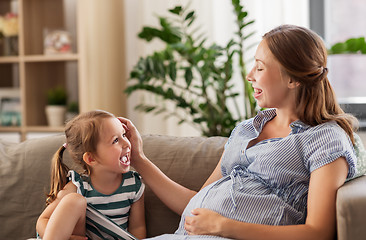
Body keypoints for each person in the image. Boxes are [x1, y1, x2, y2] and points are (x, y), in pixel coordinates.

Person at [119, 24, 358, 240]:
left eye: (260, 67)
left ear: (293, 79)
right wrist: (139, 159)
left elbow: (318, 232)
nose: (250, 75)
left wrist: (223, 225)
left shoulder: (325, 138)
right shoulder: (246, 129)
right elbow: (195, 205)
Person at [36, 110, 146, 240]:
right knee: (74, 201)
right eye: (116, 140)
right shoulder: (78, 186)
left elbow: (137, 228)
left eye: (124, 135)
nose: (126, 143)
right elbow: (43, 220)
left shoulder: (133, 185)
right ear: (91, 159)